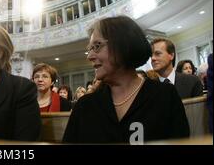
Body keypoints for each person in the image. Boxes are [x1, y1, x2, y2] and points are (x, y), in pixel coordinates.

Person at [63, 16, 189, 144]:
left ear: (123, 45)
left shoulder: (164, 96)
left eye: (97, 46)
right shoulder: (85, 106)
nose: (90, 56)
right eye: (90, 49)